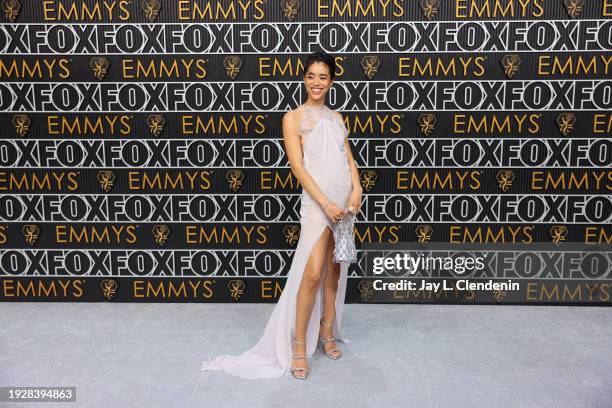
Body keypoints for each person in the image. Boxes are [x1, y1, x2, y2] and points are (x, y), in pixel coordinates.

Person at [201, 50, 362, 380]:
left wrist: (357, 189)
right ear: (305, 79)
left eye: (324, 76)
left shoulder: (337, 117)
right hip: (318, 204)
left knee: (334, 271)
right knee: (313, 272)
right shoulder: (293, 118)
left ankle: (327, 331)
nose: (317, 82)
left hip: (345, 203)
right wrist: (326, 202)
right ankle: (299, 343)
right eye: (311, 76)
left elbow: (349, 159)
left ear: (331, 81)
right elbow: (297, 167)